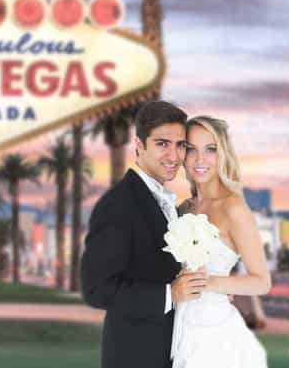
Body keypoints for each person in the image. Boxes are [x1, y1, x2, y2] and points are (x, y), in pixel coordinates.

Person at [81, 101, 208, 368]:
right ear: (139, 144)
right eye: (163, 143)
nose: (174, 156)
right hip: (134, 357)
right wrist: (169, 294)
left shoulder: (166, 203)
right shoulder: (117, 205)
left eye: (180, 145)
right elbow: (96, 290)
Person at [171, 115, 271, 367]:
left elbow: (261, 282)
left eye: (210, 149)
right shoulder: (184, 209)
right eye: (191, 149)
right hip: (177, 327)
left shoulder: (234, 209)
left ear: (223, 153)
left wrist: (210, 282)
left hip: (214, 334)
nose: (199, 159)